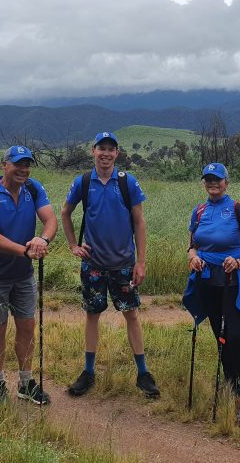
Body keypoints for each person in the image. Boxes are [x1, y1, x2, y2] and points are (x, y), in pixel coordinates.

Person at [60, 132, 161, 398]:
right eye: (101, 149)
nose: (105, 154)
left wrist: (141, 262)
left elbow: (139, 222)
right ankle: (88, 372)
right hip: (93, 264)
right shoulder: (83, 182)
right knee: (92, 315)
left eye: (111, 149)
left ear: (117, 153)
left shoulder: (128, 183)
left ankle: (143, 373)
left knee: (131, 314)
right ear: (93, 151)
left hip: (123, 265)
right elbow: (65, 213)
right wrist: (73, 245)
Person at [182, 163, 240, 426]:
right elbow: (192, 246)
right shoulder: (200, 210)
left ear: (226, 183)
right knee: (221, 337)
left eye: (217, 180)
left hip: (233, 280)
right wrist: (193, 258)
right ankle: (232, 385)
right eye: (208, 180)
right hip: (208, 280)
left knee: (236, 336)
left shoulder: (238, 210)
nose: (212, 184)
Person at [0, 145, 58, 405]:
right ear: (5, 165)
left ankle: (25, 382)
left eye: (27, 164)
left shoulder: (34, 188)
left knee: (27, 327)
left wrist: (42, 240)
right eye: (18, 164)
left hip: (23, 274)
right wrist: (25, 251)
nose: (23, 169)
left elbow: (50, 220)